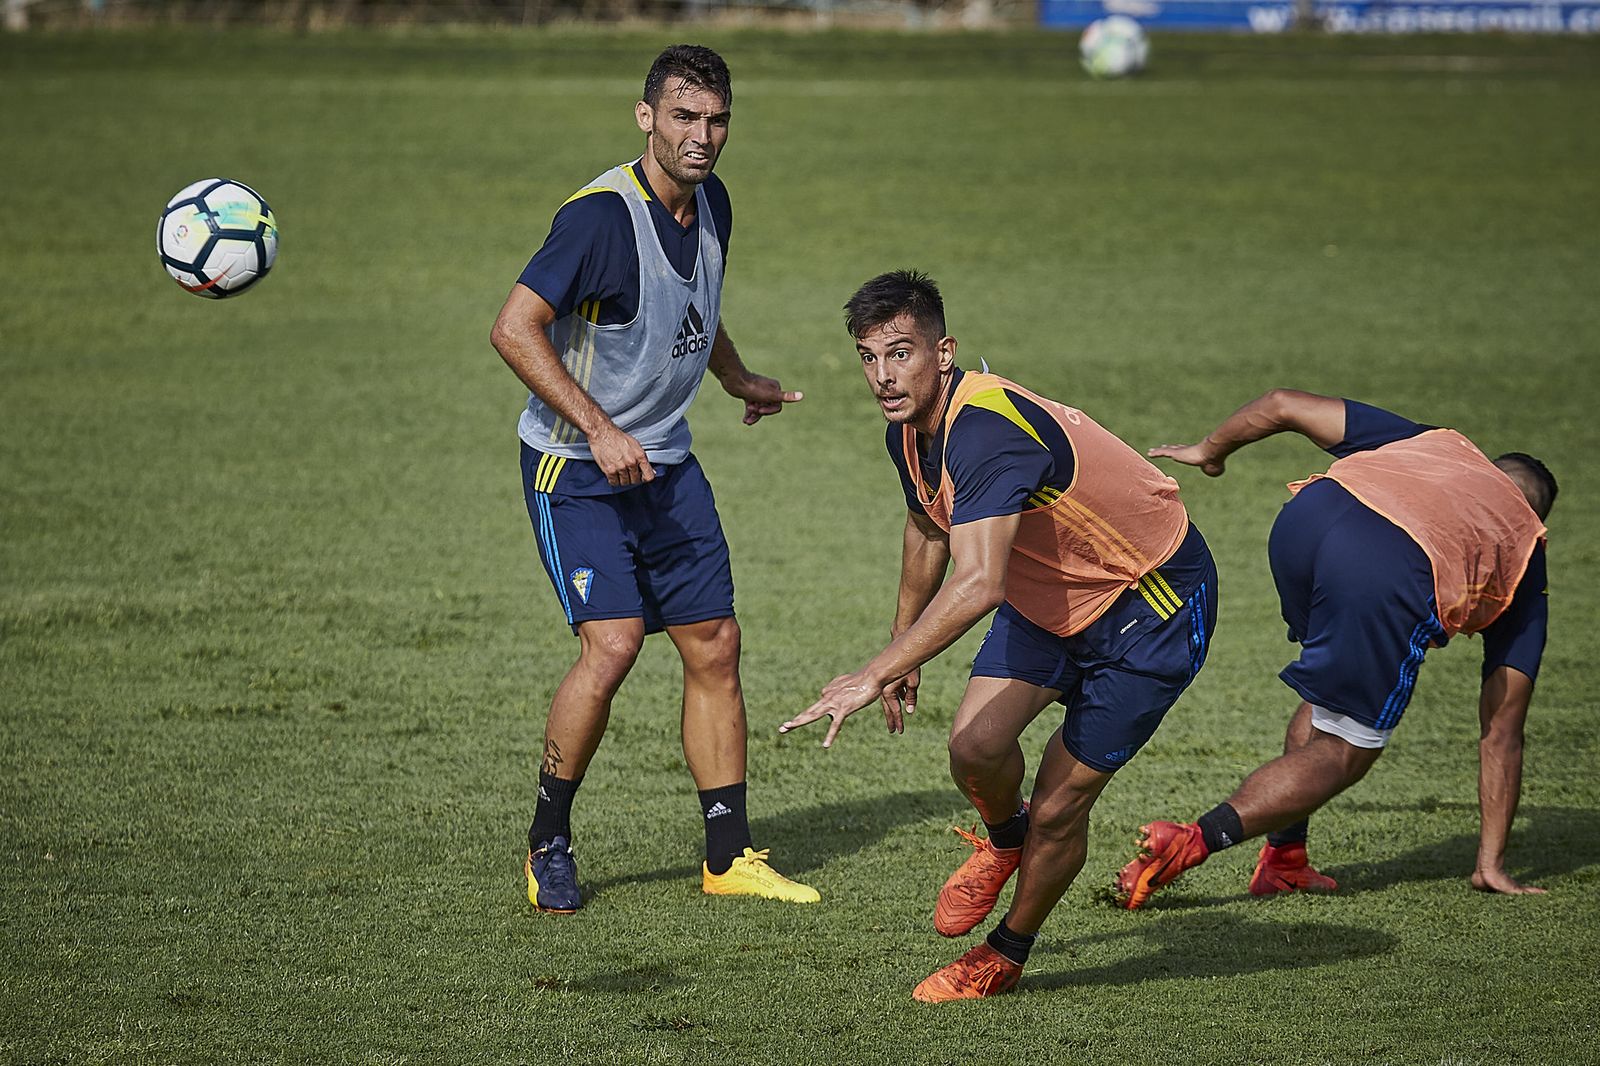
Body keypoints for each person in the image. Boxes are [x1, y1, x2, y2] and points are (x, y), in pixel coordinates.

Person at [780, 271, 1219, 1001]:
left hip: (1150, 607)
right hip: (1051, 594)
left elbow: (980, 581)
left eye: (900, 354)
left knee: (1058, 805)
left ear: (943, 352)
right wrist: (903, 640)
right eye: (868, 357)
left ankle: (1006, 954)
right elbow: (927, 522)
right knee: (975, 749)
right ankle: (1005, 841)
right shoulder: (911, 432)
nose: (884, 377)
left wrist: (873, 673)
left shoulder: (985, 430)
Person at [489, 44, 817, 914]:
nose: (702, 137)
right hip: (574, 467)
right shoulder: (600, 218)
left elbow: (692, 311)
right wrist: (598, 431)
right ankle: (547, 842)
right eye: (683, 117)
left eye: (716, 121)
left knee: (715, 643)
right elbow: (514, 329)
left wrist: (737, 377)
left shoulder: (714, 205)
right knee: (615, 644)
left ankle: (727, 854)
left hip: (665, 461)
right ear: (646, 118)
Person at [1113, 389, 1555, 909]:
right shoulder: (1524, 549)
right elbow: (1502, 732)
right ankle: (1195, 840)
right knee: (1346, 749)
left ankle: (1285, 860)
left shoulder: (1434, 444)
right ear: (1537, 518)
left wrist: (1212, 449)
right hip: (1383, 570)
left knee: (1330, 697)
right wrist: (1490, 864)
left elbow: (1282, 403)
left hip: (1305, 524)